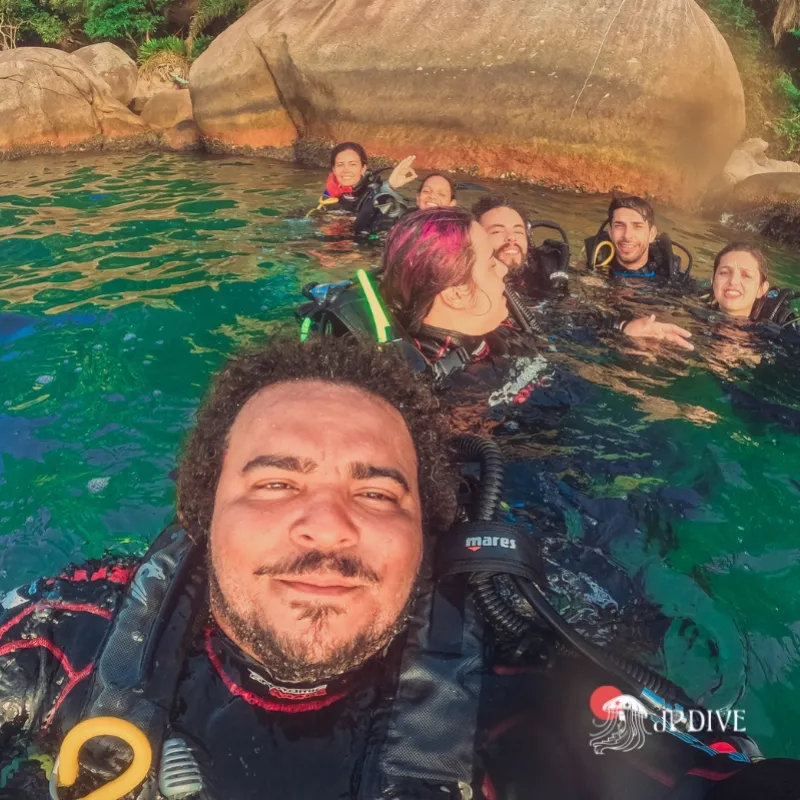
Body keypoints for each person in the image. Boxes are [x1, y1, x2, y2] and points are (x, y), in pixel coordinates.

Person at [2, 335, 798, 799]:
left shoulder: (527, 692)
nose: (328, 523)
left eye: (378, 493)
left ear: (428, 535)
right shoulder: (67, 637)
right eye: (275, 483)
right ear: (201, 511)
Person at [472, 194, 570, 294]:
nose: (512, 237)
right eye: (497, 231)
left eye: (518, 232)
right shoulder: (466, 286)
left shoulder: (546, 272)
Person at [586, 195, 692, 282]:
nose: (627, 236)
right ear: (610, 232)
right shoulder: (592, 272)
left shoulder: (675, 281)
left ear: (652, 234)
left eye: (637, 226)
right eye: (619, 226)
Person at [353, 154, 458, 238]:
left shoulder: (460, 231)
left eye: (441, 194)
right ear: (418, 199)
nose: (432, 196)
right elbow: (361, 228)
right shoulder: (402, 221)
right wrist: (389, 186)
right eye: (426, 191)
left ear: (452, 204)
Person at [709, 243, 797, 326]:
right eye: (724, 272)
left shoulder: (781, 330)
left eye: (746, 275)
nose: (733, 281)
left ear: (761, 289)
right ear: (713, 279)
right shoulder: (701, 307)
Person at [315, 141, 376, 213]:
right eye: (340, 165)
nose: (346, 170)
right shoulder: (329, 193)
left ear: (363, 168)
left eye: (352, 164)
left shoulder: (375, 194)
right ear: (334, 169)